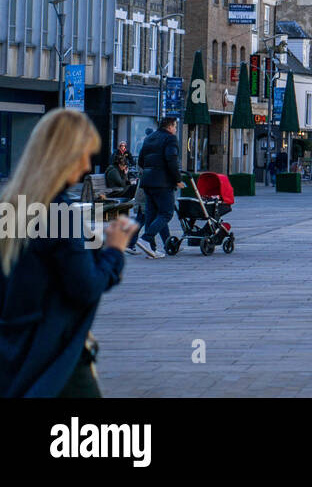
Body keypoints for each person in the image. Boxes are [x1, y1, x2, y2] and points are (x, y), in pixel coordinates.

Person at [0, 108, 137, 397]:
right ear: (64, 156)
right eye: (83, 155)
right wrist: (114, 250)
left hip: (14, 348)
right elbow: (85, 286)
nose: (87, 165)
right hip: (54, 355)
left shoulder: (11, 205)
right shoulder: (60, 212)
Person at [137, 116, 184, 259]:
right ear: (169, 127)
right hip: (162, 183)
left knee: (151, 215)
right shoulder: (170, 139)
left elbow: (141, 160)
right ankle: (146, 239)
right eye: (175, 126)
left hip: (147, 182)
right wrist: (177, 180)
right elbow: (172, 161)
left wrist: (150, 171)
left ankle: (151, 249)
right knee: (166, 213)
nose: (175, 129)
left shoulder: (149, 138)